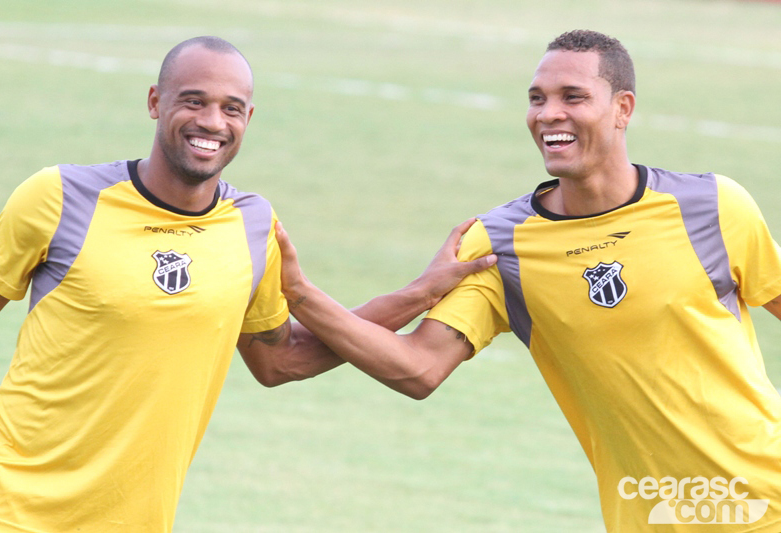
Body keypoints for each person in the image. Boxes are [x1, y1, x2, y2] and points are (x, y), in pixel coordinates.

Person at [0, 36, 494, 532]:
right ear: (156, 102)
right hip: (2, 505)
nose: (211, 122)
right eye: (193, 101)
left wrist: (418, 296)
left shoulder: (252, 225)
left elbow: (281, 361)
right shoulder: (60, 196)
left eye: (231, 108)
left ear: (248, 119)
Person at [275, 30, 781, 531]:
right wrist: (299, 293)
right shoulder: (499, 245)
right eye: (537, 99)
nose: (548, 114)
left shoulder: (713, 206)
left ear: (622, 108)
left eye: (573, 97)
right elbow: (418, 369)